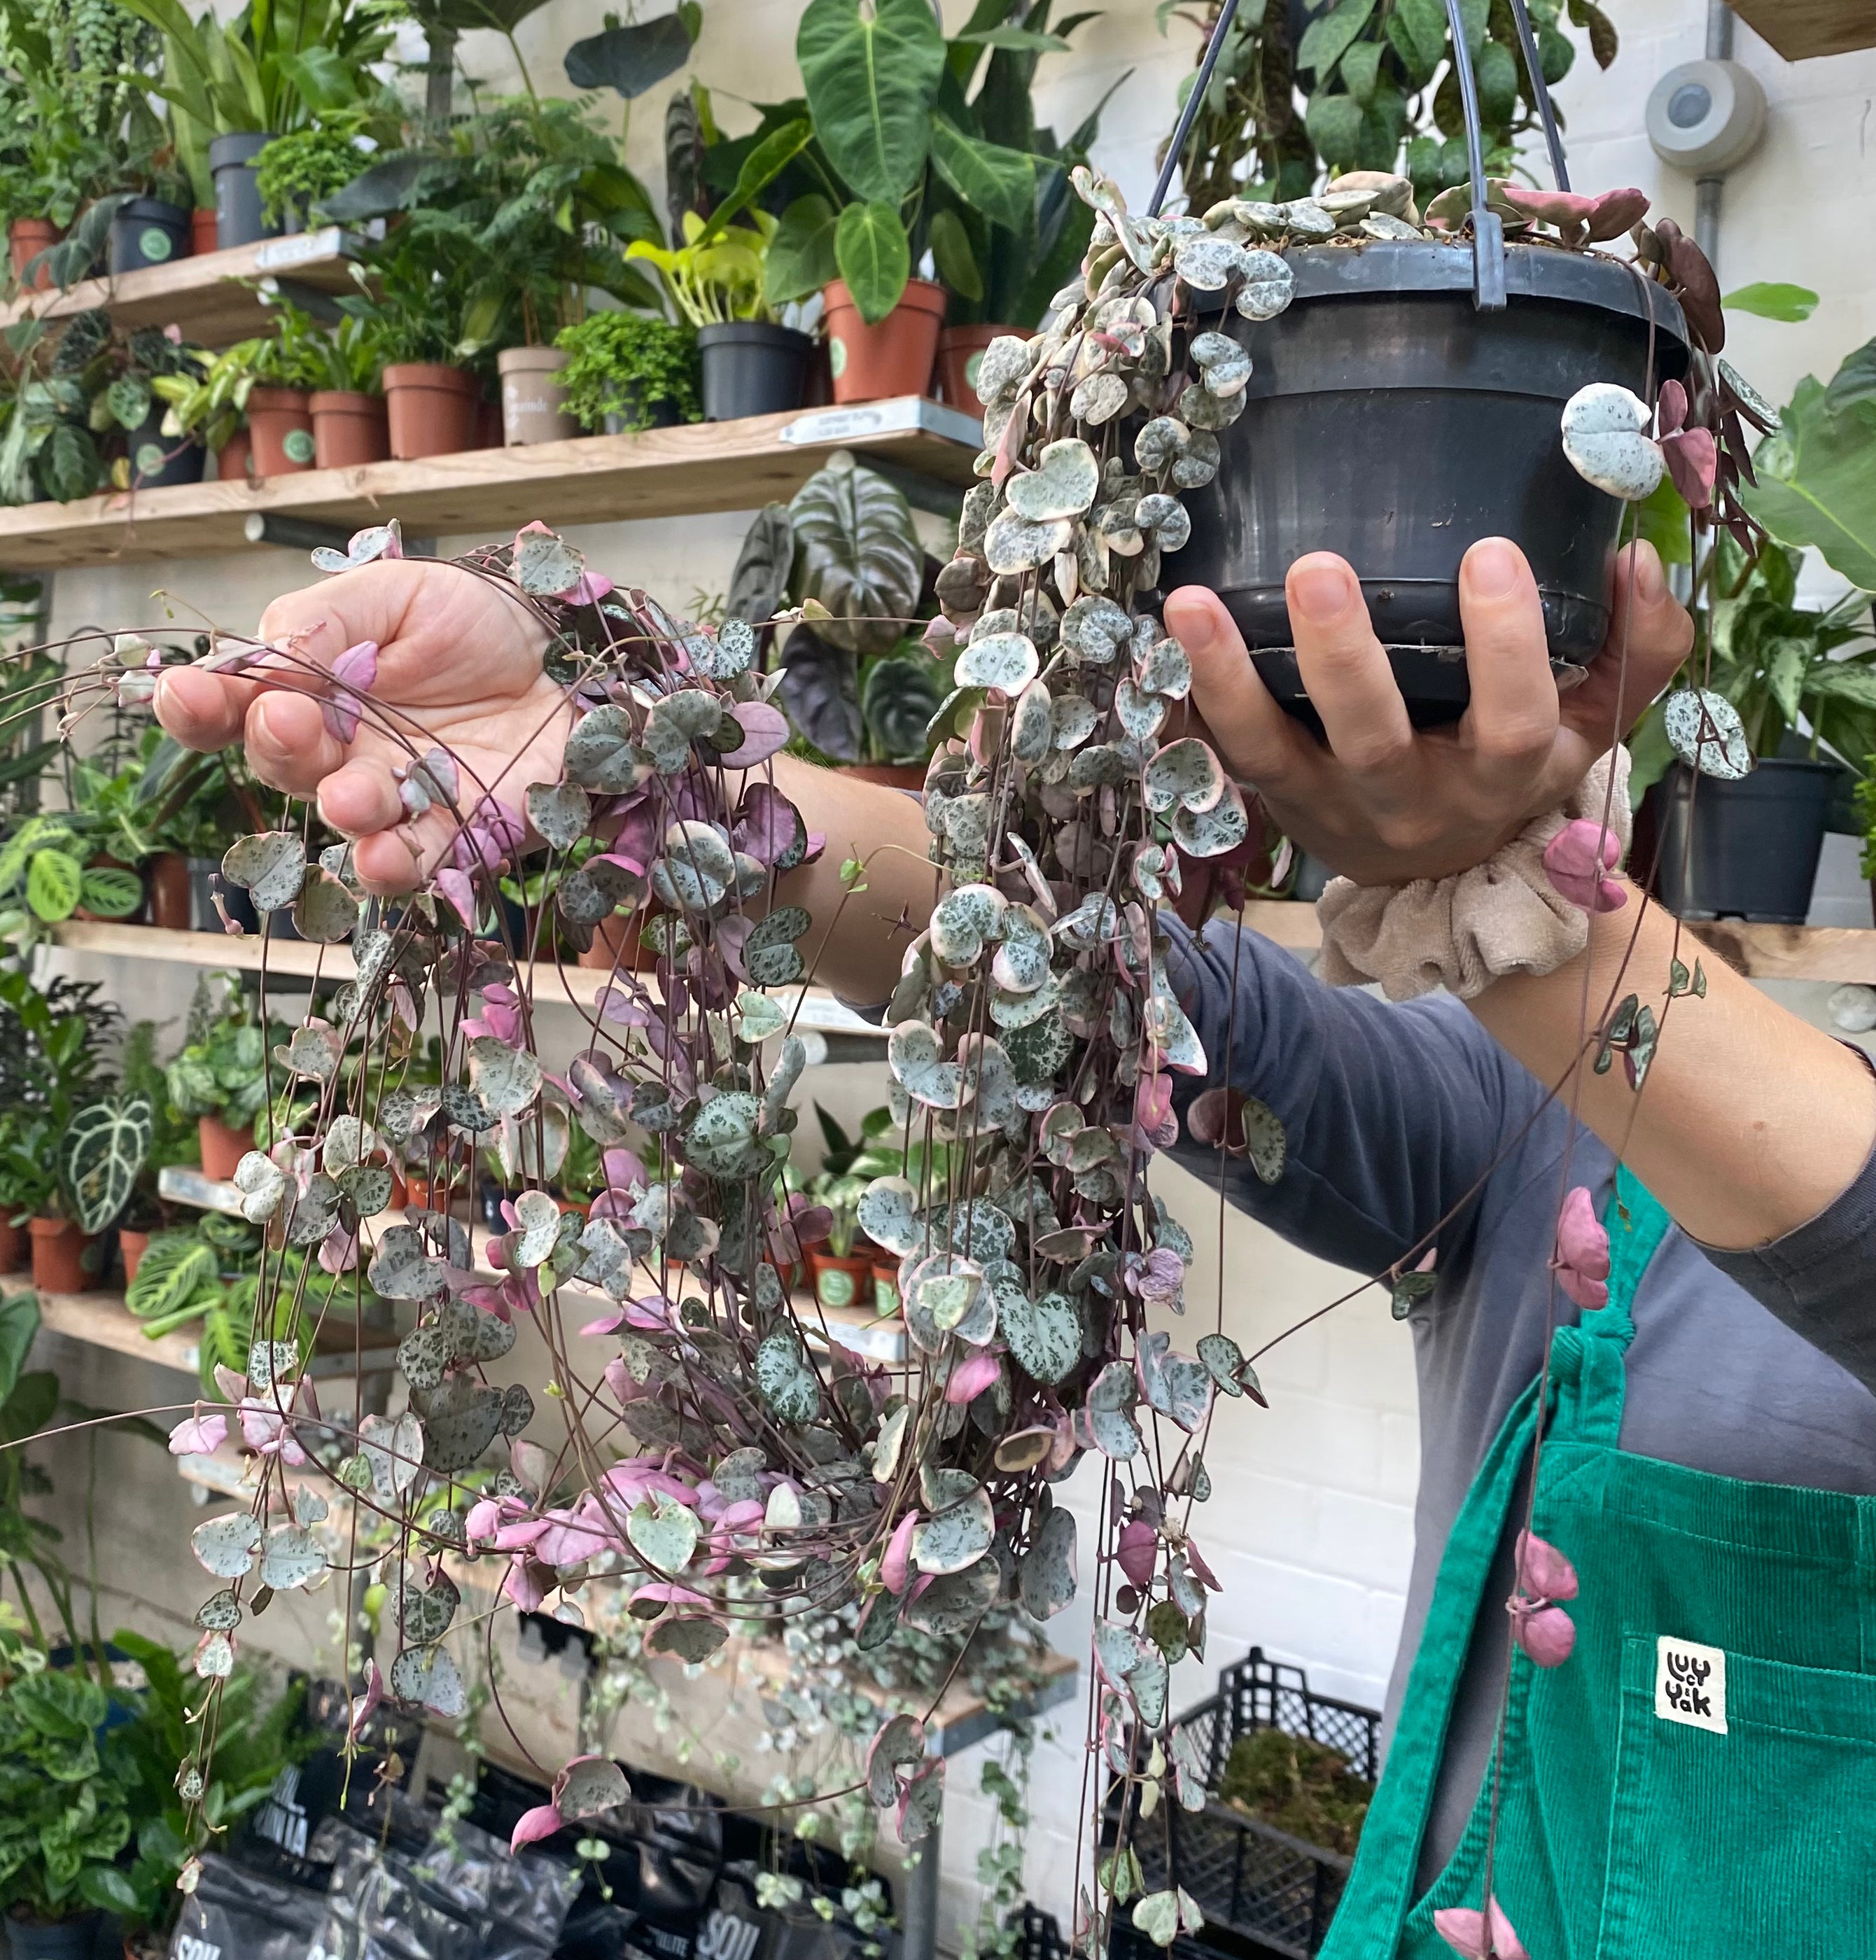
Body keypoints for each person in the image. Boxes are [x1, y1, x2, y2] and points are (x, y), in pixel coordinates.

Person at [156, 533, 1876, 1959]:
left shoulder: (1626, 1057)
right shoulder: (1557, 1149)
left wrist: (1526, 897)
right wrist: (637, 774)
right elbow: (1140, 1001)